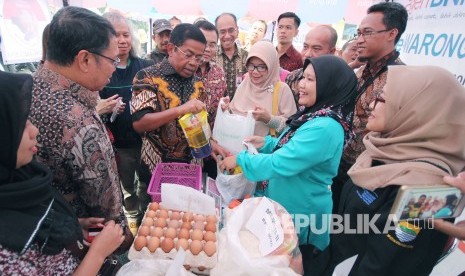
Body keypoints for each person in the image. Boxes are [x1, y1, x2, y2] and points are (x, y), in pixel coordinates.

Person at [220, 55, 357, 274]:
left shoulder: (325, 127)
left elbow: (280, 163)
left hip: (302, 215)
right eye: (303, 77)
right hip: (287, 209)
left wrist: (239, 159)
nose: (301, 84)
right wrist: (266, 142)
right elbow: (291, 146)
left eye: (311, 80)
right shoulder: (313, 116)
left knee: (296, 267)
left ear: (331, 85)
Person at [322, 65, 465, 276]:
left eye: (382, 99)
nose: (370, 104)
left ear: (416, 109)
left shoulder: (435, 191)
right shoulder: (380, 150)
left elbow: (388, 267)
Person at [0, 71, 124, 275]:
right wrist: (98, 254)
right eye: (21, 125)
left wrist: (71, 226)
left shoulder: (25, 177)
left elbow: (42, 224)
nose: (35, 132)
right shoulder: (5, 252)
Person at [29, 6, 131, 247]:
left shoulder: (23, 91)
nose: (115, 67)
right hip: (79, 245)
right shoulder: (80, 122)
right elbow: (107, 212)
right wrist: (127, 239)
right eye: (112, 60)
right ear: (84, 59)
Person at [332, 2, 408, 212]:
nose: (359, 40)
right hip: (339, 166)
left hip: (366, 178)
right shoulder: (360, 70)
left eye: (367, 33)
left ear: (392, 33)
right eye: (358, 33)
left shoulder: (400, 79)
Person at [131, 23, 207, 187]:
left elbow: (199, 124)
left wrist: (212, 144)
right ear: (171, 49)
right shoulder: (147, 77)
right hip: (155, 168)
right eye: (188, 54)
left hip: (189, 170)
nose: (194, 62)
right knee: (153, 211)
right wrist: (180, 110)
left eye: (199, 58)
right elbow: (139, 123)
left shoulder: (198, 84)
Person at [99, 11, 154, 236]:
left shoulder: (144, 66)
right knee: (126, 187)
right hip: (119, 143)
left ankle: (148, 220)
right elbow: (95, 104)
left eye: (126, 35)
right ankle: (132, 220)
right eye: (116, 35)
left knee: (147, 182)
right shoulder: (102, 70)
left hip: (145, 139)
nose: (122, 40)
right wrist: (106, 108)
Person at [226, 40, 296, 138]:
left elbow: (291, 128)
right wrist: (225, 109)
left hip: (263, 151)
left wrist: (269, 119)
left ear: (272, 66)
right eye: (251, 66)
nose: (255, 72)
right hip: (236, 148)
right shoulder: (245, 84)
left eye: (262, 67)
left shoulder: (282, 90)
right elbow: (232, 113)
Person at [193, 20, 228, 178]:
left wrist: (226, 105)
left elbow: (224, 99)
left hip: (215, 144)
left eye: (213, 44)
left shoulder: (218, 72)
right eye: (204, 43)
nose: (207, 49)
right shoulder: (184, 70)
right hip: (189, 149)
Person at [285, 25, 338, 106]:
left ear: (331, 52)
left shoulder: (338, 84)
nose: (307, 54)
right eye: (305, 47)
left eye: (316, 49)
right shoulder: (292, 77)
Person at [215, 13, 248, 99]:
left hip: (239, 109)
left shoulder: (247, 56)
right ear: (217, 34)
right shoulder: (211, 56)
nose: (227, 36)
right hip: (216, 110)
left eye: (231, 30)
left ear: (237, 30)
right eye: (222, 32)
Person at [434, 173, 465, 240]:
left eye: (444, 199)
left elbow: (434, 217)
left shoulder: (445, 209)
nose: (442, 200)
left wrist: (435, 210)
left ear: (448, 200)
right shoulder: (449, 209)